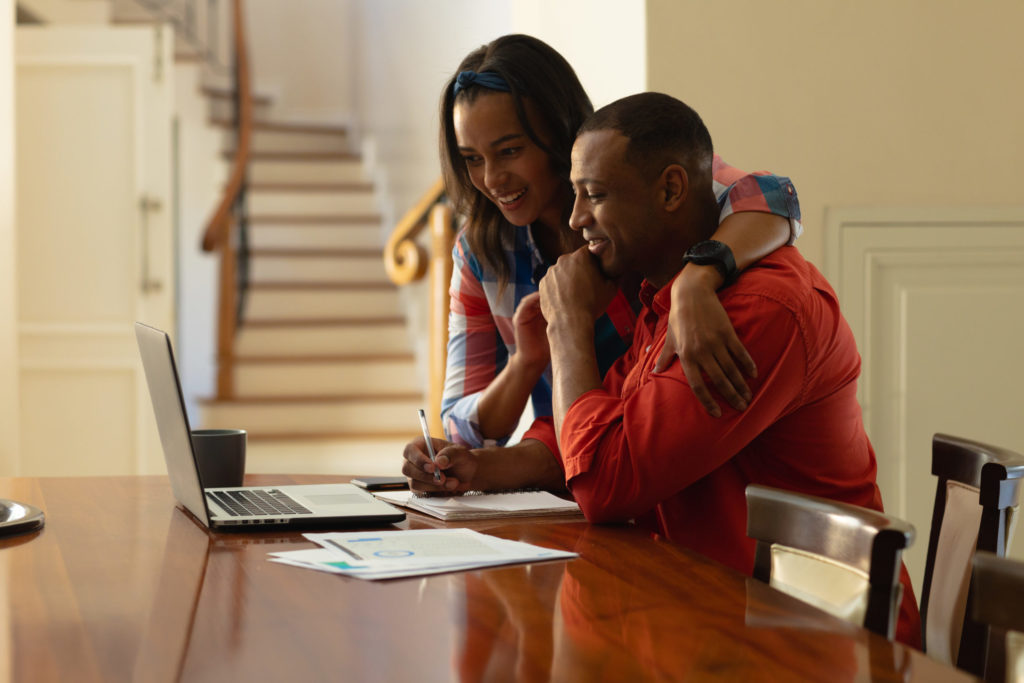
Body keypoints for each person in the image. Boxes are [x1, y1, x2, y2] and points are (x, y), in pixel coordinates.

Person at [406, 91, 921, 647]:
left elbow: (602, 482)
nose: (576, 219)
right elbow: (595, 439)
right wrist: (479, 469)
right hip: (712, 613)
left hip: (815, 644)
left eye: (594, 195)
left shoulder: (754, 311)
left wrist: (570, 326)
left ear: (671, 189)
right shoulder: (673, 297)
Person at [437, 34, 801, 451]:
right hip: (578, 472)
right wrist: (526, 361)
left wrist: (697, 277)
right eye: (472, 159)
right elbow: (461, 428)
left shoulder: (636, 188)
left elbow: (774, 197)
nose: (491, 179)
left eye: (510, 151)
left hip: (674, 457)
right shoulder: (482, 252)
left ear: (557, 132)